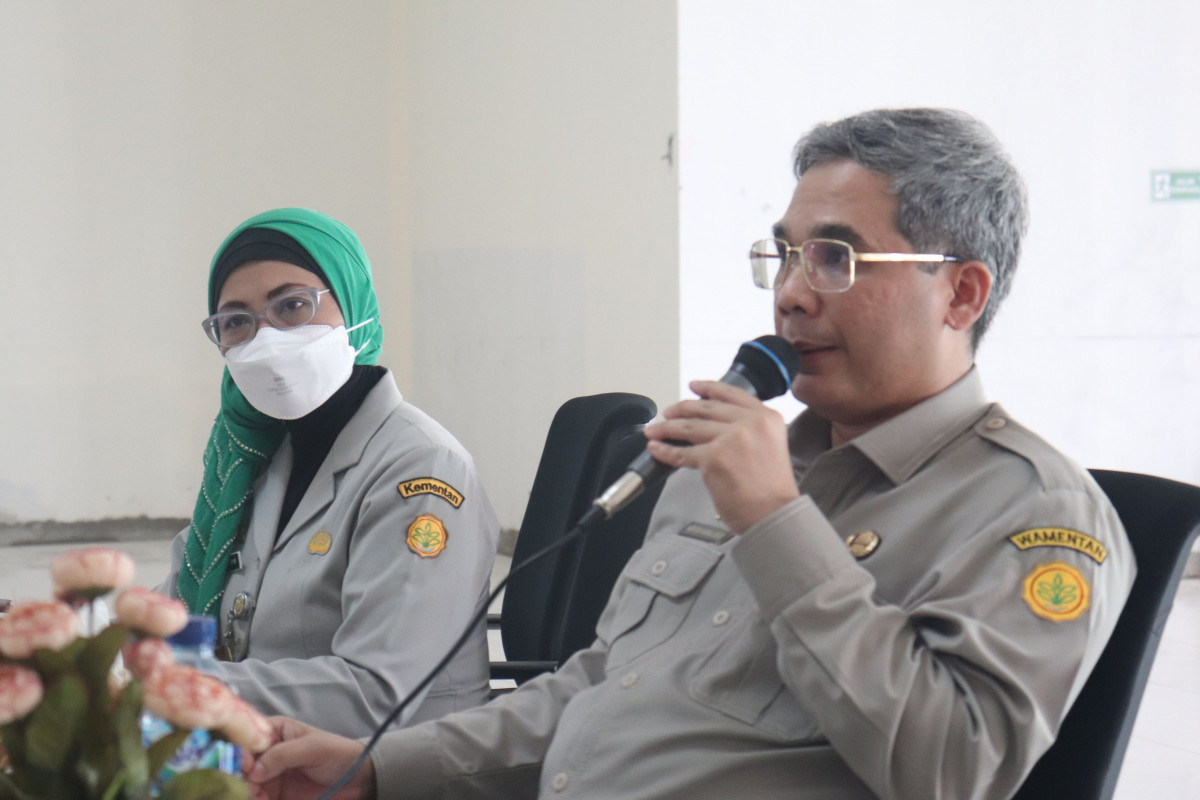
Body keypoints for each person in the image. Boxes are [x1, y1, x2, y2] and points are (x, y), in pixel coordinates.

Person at [245, 110, 1135, 800]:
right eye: (784, 255)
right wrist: (379, 767)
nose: (791, 296)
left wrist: (777, 524)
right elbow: (601, 684)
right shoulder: (724, 466)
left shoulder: (1031, 512)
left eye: (836, 258)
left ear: (961, 294)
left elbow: (949, 768)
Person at [158, 208, 501, 738]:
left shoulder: (422, 468)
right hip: (263, 743)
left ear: (354, 304)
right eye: (237, 321)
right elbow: (170, 609)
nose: (266, 340)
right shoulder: (254, 454)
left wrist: (176, 687)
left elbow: (375, 694)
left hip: (391, 761)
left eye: (293, 306)